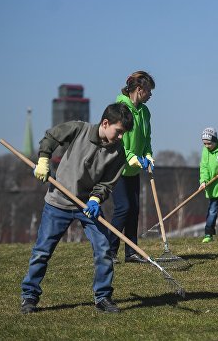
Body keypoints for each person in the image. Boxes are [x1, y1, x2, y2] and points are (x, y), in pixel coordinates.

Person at [21, 103, 134, 314]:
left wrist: (95, 199)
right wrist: (44, 159)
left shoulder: (118, 153)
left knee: (103, 250)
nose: (120, 137)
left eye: (123, 134)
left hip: (88, 207)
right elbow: (51, 136)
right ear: (105, 123)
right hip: (58, 202)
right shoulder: (79, 129)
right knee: (42, 251)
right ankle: (29, 295)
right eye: (118, 132)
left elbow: (107, 183)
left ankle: (103, 297)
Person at [109, 71, 156, 264]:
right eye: (149, 91)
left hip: (134, 169)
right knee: (123, 208)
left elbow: (146, 139)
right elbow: (118, 142)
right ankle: (109, 252)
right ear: (139, 89)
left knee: (134, 209)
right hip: (118, 167)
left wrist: (147, 155)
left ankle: (131, 252)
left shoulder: (145, 112)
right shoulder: (120, 109)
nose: (151, 95)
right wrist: (133, 158)